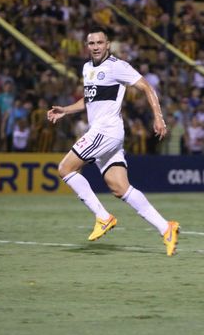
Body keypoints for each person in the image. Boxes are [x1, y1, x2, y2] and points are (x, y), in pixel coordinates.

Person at [47, 27, 180, 256]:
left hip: (106, 131)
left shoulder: (117, 66)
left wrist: (158, 117)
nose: (96, 47)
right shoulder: (87, 68)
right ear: (87, 46)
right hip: (105, 134)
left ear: (108, 44)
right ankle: (165, 227)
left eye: (100, 42)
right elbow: (90, 99)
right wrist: (65, 111)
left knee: (65, 168)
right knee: (120, 188)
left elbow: (146, 86)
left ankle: (103, 217)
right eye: (91, 43)